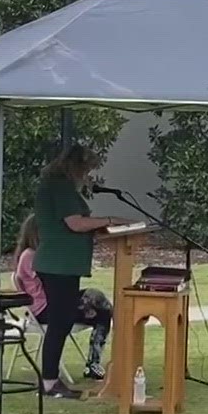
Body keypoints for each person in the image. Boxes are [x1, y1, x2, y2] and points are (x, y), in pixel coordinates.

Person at [27, 144, 129, 399]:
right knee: (59, 323)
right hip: (57, 265)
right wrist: (109, 220)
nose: (88, 176)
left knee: (61, 322)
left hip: (63, 265)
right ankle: (50, 382)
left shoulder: (59, 186)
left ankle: (51, 380)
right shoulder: (59, 187)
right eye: (87, 170)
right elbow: (75, 223)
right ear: (75, 166)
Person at [12, 214, 114, 381]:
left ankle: (93, 363)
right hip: (46, 309)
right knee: (95, 297)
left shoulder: (44, 254)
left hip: (58, 303)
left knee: (102, 312)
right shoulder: (30, 256)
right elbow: (53, 284)